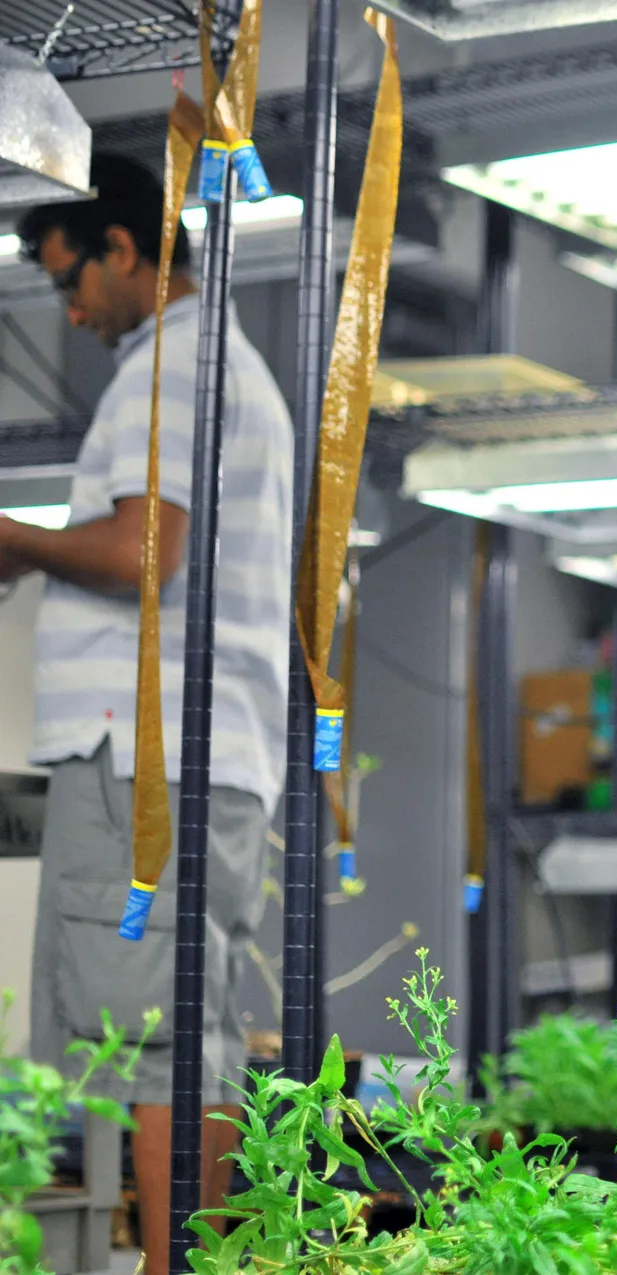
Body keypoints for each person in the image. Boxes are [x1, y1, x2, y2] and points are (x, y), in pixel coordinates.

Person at [3, 154, 293, 1271]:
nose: (67, 307)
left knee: (150, 1037)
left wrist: (12, 539)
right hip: (199, 755)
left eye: (69, 275)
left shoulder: (169, 364)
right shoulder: (221, 364)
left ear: (124, 249)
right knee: (190, 1030)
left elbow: (141, 552)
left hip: (147, 755)